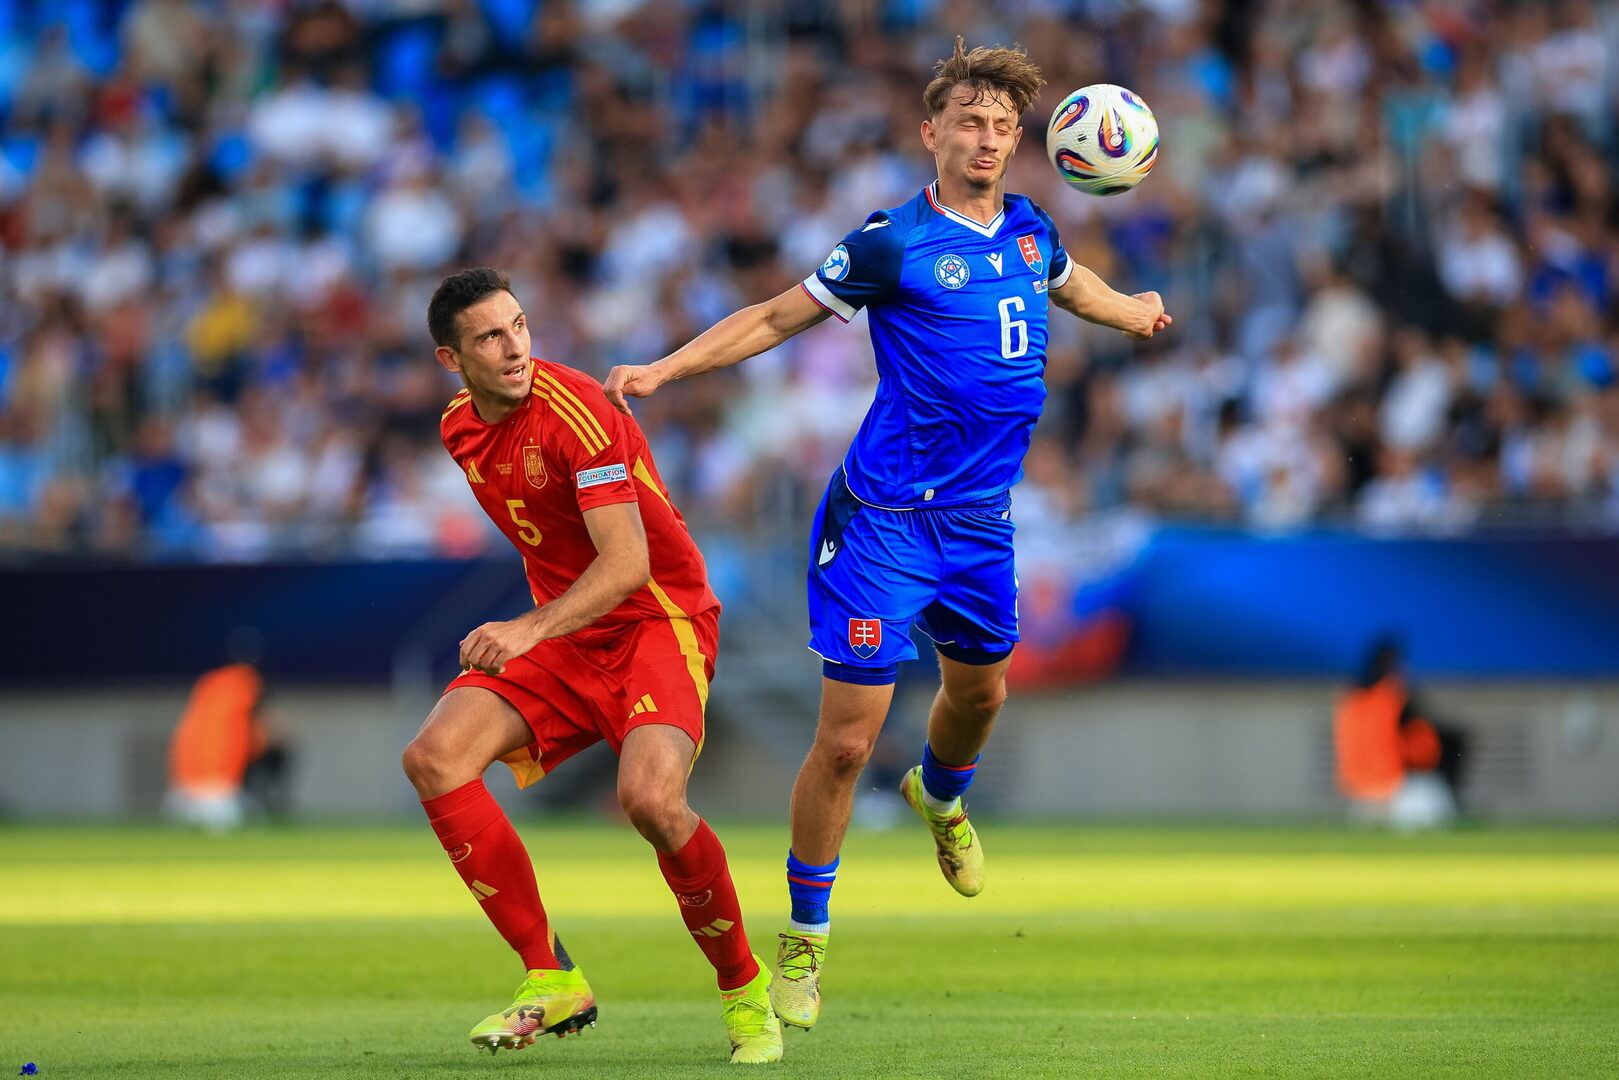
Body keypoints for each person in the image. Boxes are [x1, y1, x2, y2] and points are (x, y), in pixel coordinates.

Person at [604, 39, 1172, 1029]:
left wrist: (1130, 312)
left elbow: (1069, 281)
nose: (987, 139)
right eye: (970, 122)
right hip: (883, 526)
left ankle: (941, 797)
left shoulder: (1030, 230)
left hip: (981, 523)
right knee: (843, 744)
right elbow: (773, 318)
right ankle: (804, 938)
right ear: (930, 133)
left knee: (981, 693)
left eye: (1003, 126)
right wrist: (664, 370)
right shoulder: (890, 242)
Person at [401, 268, 782, 1064]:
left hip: (656, 621)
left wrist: (525, 629)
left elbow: (628, 563)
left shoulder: (576, 410)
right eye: (490, 337)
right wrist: (542, 630)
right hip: (569, 637)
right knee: (434, 758)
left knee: (649, 801)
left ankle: (744, 988)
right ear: (451, 360)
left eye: (518, 325)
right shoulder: (457, 428)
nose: (515, 348)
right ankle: (551, 977)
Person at [1334, 636, 1468, 830]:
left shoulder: (1351, 698)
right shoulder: (1393, 696)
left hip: (1358, 788)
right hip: (1396, 789)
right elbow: (1421, 743)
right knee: (1450, 745)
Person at [166, 627, 288, 830]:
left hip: (180, 793)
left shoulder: (209, 682)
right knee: (254, 823)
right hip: (219, 793)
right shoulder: (248, 683)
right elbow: (269, 729)